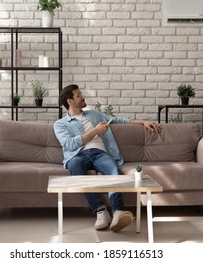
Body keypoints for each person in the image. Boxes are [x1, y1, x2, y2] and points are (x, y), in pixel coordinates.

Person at [54, 84, 163, 232]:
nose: (83, 96)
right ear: (70, 101)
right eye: (79, 95)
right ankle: (100, 211)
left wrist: (142, 121)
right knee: (74, 166)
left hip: (100, 153)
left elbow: (117, 120)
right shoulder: (60, 124)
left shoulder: (94, 114)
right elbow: (70, 144)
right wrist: (95, 131)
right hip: (77, 155)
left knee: (113, 171)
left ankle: (118, 212)